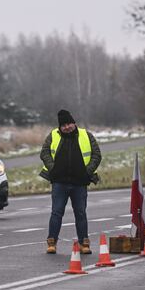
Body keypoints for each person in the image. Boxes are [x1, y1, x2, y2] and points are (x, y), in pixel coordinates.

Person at [40, 109, 101, 255]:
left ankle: (84, 243)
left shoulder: (86, 135)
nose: (67, 127)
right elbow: (44, 152)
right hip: (59, 182)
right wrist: (53, 168)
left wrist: (87, 171)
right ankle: (51, 243)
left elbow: (96, 155)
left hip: (80, 183)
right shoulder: (53, 135)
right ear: (60, 127)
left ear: (74, 123)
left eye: (69, 124)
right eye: (63, 125)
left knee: (80, 213)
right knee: (56, 213)